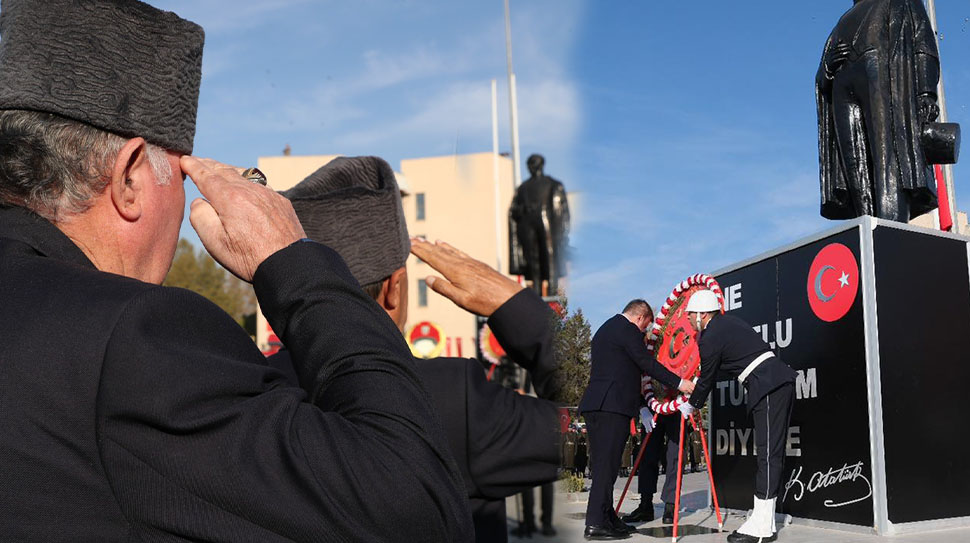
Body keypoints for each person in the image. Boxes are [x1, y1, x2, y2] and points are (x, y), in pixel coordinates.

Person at [0, 1, 472, 541]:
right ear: (130, 176)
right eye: (179, 175)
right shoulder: (133, 338)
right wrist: (291, 259)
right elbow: (418, 508)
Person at [273, 156, 564, 543]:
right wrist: (518, 310)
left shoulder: (250, 392)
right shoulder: (450, 402)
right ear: (395, 287)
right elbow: (597, 431)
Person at [680, 290, 796, 543]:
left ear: (702, 314)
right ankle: (762, 517)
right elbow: (722, 367)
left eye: (690, 313)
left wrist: (691, 405)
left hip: (767, 384)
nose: (687, 317)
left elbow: (708, 377)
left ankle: (763, 526)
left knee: (767, 454)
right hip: (771, 382)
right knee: (769, 452)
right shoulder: (727, 324)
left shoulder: (710, 336)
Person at [578, 300, 695, 540]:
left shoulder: (606, 328)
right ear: (641, 317)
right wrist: (680, 383)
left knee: (606, 466)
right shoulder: (627, 330)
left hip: (599, 405)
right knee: (606, 467)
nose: (644, 333)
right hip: (611, 406)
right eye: (646, 328)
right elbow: (646, 363)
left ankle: (607, 517)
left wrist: (642, 405)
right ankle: (595, 523)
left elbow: (621, 369)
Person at [816, 0, 942, 222]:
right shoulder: (844, 19)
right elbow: (821, 79)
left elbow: (923, 44)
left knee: (889, 160)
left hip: (883, 77)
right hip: (842, 88)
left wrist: (926, 92)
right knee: (854, 168)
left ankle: (890, 233)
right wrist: (827, 66)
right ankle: (865, 228)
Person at [508, 153, 569, 296]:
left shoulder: (553, 184)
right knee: (532, 258)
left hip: (547, 225)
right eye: (529, 164)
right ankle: (535, 291)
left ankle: (552, 289)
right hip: (528, 226)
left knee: (549, 257)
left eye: (533, 163)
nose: (531, 167)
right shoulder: (523, 188)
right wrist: (521, 210)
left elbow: (563, 212)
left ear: (541, 165)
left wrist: (562, 232)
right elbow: (514, 210)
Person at [621, 382, 681, 525]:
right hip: (651, 404)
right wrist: (642, 407)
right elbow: (638, 377)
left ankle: (671, 505)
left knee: (674, 457)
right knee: (647, 456)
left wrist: (688, 400)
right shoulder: (650, 357)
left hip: (677, 404)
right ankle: (645, 505)